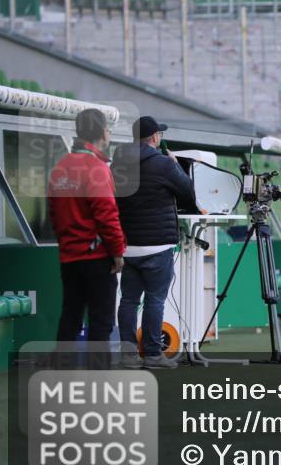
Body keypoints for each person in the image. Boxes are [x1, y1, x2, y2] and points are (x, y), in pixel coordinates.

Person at [110, 116, 197, 369]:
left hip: (128, 244)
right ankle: (152, 354)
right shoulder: (163, 164)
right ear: (155, 138)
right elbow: (189, 191)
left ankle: (127, 355)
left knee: (128, 301)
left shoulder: (118, 164)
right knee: (155, 300)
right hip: (157, 245)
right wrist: (175, 164)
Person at [48, 108, 126, 346]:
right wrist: (117, 252)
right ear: (104, 133)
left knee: (70, 317)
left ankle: (60, 375)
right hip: (97, 258)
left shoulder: (60, 167)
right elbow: (107, 216)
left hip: (70, 257)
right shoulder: (97, 168)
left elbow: (53, 214)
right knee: (101, 323)